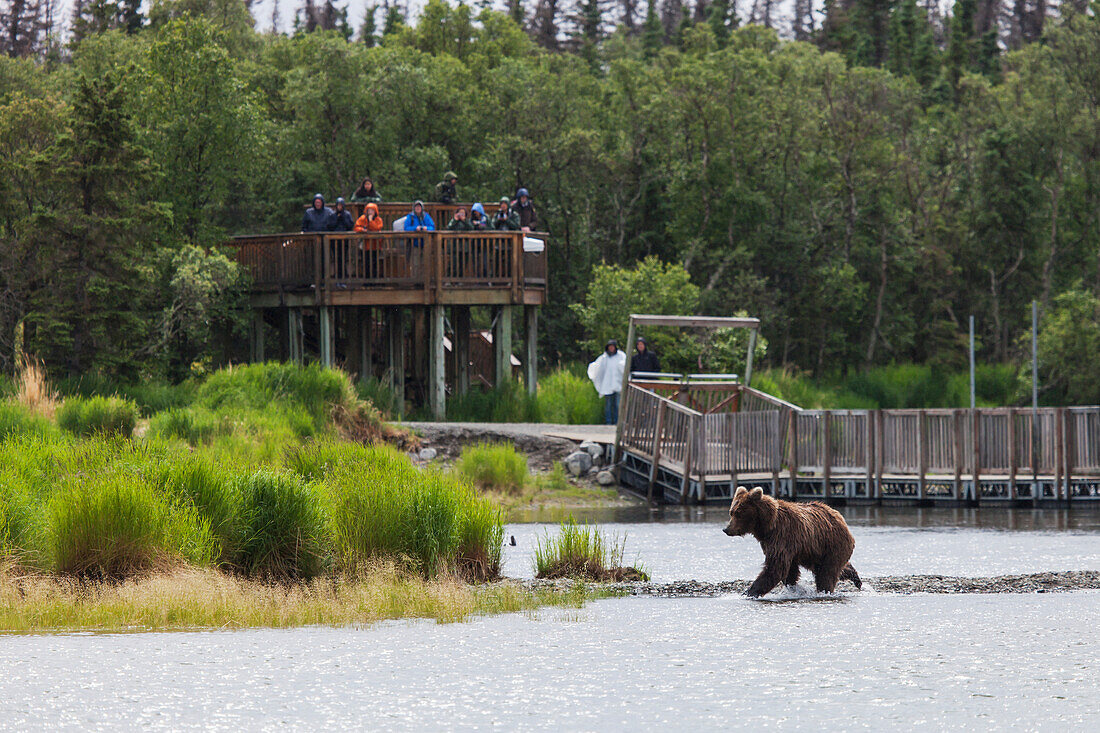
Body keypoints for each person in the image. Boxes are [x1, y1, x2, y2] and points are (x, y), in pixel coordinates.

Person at [588, 339, 627, 425]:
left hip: (618, 384)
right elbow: (597, 367)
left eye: (613, 347)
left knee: (618, 405)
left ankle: (617, 422)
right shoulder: (604, 357)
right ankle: (608, 422)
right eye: (610, 347)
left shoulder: (621, 356)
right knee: (608, 405)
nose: (611, 348)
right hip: (607, 385)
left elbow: (625, 367)